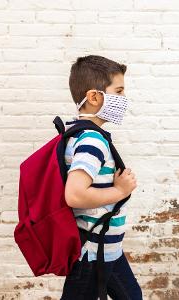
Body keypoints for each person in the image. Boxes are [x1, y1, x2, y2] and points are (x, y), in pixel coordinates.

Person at [60, 55, 143, 299]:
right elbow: (74, 194)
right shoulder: (92, 140)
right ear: (95, 97)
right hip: (91, 251)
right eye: (119, 91)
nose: (124, 99)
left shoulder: (84, 134)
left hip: (107, 247)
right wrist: (120, 191)